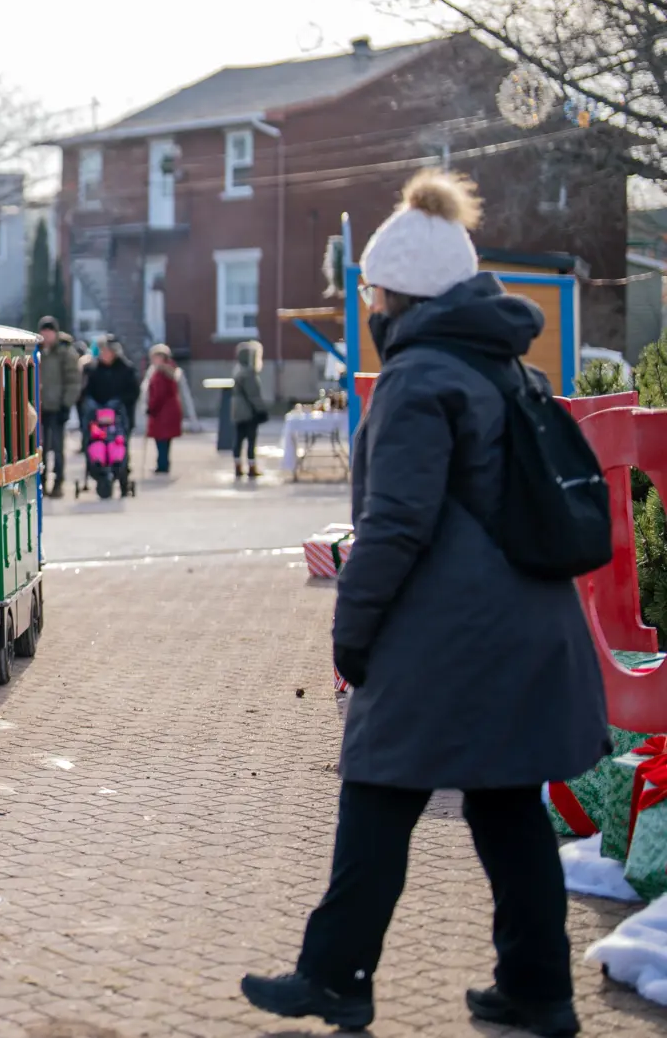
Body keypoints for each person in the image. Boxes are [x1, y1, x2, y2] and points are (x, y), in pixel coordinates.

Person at [242, 171, 609, 1036]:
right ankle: (537, 990)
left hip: (449, 641)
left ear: (396, 294)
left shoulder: (418, 379)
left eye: (371, 289)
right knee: (509, 806)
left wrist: (352, 630)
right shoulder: (501, 365)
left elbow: (395, 526)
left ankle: (334, 977)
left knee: (376, 789)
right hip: (523, 630)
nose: (368, 303)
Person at [38, 317, 83, 496]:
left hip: (57, 408)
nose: (46, 335)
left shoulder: (65, 352)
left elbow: (73, 381)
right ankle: (41, 481)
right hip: (40, 409)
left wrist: (66, 404)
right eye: (43, 331)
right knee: (40, 448)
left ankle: (58, 482)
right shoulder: (37, 351)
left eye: (49, 331)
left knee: (57, 448)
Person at [142, 343, 184, 474]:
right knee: (165, 440)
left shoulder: (160, 373)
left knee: (161, 439)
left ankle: (162, 464)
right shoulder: (170, 370)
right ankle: (164, 463)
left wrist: (151, 408)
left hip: (162, 412)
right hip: (170, 410)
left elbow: (158, 394)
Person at [81, 335, 139, 426]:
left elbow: (133, 392)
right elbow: (86, 390)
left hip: (120, 419)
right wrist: (93, 403)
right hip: (96, 418)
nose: (105, 354)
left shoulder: (127, 369)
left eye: (108, 351)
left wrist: (118, 402)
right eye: (102, 350)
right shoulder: (92, 369)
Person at [231, 339, 268, 479]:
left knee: (238, 439)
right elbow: (254, 395)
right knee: (251, 440)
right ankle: (252, 467)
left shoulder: (237, 371)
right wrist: (261, 410)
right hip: (249, 411)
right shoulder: (249, 374)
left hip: (237, 410)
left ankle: (237, 466)